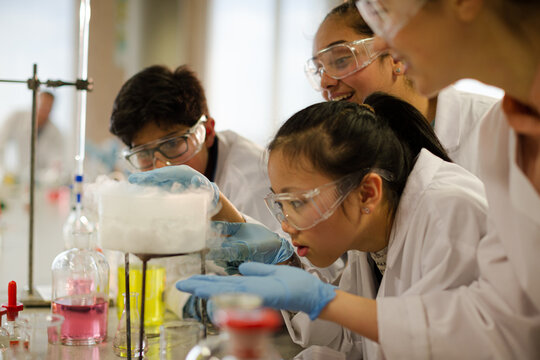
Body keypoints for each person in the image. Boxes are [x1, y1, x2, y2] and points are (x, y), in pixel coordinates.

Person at [178, 94, 492, 359]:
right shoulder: (367, 234)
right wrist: (294, 278)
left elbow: (446, 346)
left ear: (367, 192)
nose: (285, 226)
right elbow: (351, 342)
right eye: (279, 205)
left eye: (297, 203)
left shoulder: (448, 210)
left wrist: (322, 300)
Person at [109, 65, 296, 319]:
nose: (161, 164)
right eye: (143, 153)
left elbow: (286, 290)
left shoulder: (251, 182)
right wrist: (188, 301)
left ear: (206, 132)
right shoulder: (156, 183)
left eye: (173, 143)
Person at [306, 1, 498, 174]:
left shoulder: (493, 125)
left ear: (393, 53)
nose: (325, 83)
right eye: (319, 69)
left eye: (340, 60)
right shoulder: (341, 151)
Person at [0, 90, 66, 185]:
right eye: (42, 106)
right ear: (35, 103)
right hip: (11, 179)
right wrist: (4, 171)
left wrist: (47, 178)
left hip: (39, 184)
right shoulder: (16, 119)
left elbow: (56, 164)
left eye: (48, 107)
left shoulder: (55, 134)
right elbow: (1, 143)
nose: (44, 110)